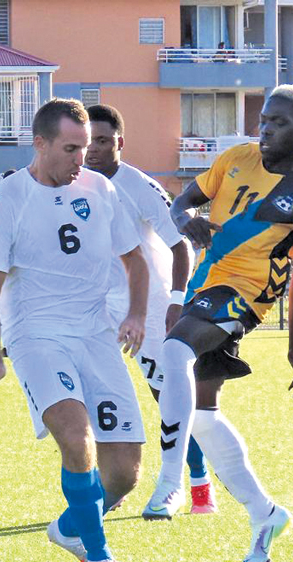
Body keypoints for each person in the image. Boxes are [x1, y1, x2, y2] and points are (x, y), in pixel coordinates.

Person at [142, 85, 293, 562]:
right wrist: (187, 219)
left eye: (279, 123)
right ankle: (266, 514)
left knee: (174, 352)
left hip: (246, 294)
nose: (266, 128)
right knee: (203, 415)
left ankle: (170, 481)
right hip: (208, 280)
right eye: (264, 119)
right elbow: (182, 201)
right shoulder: (235, 158)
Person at [0, 98, 149, 562]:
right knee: (77, 440)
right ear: (41, 143)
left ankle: (70, 528)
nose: (83, 157)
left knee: (125, 474)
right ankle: (99, 559)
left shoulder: (102, 190)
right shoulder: (8, 197)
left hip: (96, 334)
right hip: (36, 335)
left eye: (88, 146)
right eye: (72, 148)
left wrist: (135, 314)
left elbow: (136, 261)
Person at [84, 103, 217, 516]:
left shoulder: (138, 185)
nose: (94, 150)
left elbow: (181, 246)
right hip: (98, 305)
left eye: (103, 141)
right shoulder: (73, 183)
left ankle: (192, 486)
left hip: (154, 302)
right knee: (95, 395)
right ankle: (115, 483)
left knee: (168, 396)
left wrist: (175, 303)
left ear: (120, 142)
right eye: (89, 142)